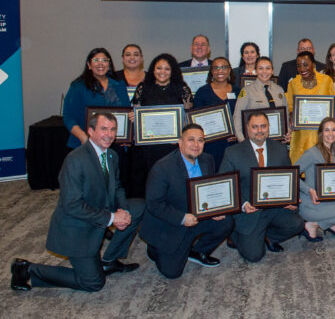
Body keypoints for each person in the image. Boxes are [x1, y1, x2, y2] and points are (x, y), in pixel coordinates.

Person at [11, 113, 144, 292]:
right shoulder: (75, 160)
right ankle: (26, 269)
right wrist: (112, 218)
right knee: (94, 283)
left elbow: (117, 186)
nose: (109, 134)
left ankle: (109, 260)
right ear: (90, 131)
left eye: (113, 129)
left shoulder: (111, 155)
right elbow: (72, 205)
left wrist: (124, 211)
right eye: (104, 129)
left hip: (98, 214)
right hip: (77, 228)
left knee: (138, 207)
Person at [140, 124, 234, 278]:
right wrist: (182, 218)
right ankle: (154, 248)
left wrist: (215, 209)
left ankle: (198, 252)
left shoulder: (207, 160)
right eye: (191, 140)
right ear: (180, 142)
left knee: (226, 221)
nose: (196, 145)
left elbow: (208, 190)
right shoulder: (162, 168)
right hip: (170, 221)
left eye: (200, 140)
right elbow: (153, 204)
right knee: (172, 273)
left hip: (197, 216)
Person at [218, 113, 304, 261]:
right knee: (254, 256)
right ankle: (235, 235)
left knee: (297, 224)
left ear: (269, 127)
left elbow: (289, 178)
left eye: (263, 126)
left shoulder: (280, 149)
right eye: (255, 127)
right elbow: (224, 185)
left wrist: (293, 199)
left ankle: (268, 237)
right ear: (247, 128)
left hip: (275, 206)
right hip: (249, 211)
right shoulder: (232, 153)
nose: (259, 130)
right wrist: (243, 204)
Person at [129, 53, 193, 198]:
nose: (162, 72)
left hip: (173, 145)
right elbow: (136, 112)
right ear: (153, 69)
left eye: (167, 69)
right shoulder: (143, 88)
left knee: (173, 180)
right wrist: (134, 117)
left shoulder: (182, 88)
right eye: (159, 68)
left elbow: (188, 116)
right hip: (149, 146)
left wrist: (180, 134)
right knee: (151, 180)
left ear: (172, 71)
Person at [296, 118, 335, 241]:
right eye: (327, 130)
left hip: (327, 197)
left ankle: (327, 222)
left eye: (334, 130)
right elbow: (291, 176)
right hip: (311, 203)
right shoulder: (312, 153)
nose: (331, 133)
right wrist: (309, 190)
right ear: (321, 133)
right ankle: (312, 224)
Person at [63, 48, 131, 149]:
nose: (100, 63)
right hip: (85, 144)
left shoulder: (119, 85)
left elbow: (127, 111)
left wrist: (129, 126)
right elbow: (68, 117)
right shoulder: (78, 86)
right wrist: (83, 137)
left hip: (115, 144)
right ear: (89, 65)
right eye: (96, 60)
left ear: (109, 64)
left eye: (104, 60)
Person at [285, 51, 335, 163]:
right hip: (302, 134)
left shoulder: (326, 80)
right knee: (302, 165)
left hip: (322, 134)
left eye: (305, 65)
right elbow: (290, 105)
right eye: (299, 66)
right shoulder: (293, 84)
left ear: (313, 64)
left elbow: (334, 103)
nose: (302, 69)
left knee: (323, 166)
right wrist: (291, 116)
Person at [192, 56, 240, 168]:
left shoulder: (238, 91)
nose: (220, 71)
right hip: (210, 145)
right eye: (216, 68)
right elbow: (195, 120)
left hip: (232, 143)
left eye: (224, 67)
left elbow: (242, 117)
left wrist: (237, 134)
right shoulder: (202, 92)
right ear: (211, 71)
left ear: (229, 70)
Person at [233, 56, 288, 141]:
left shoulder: (279, 90)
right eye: (260, 68)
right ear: (256, 71)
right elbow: (237, 117)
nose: (264, 71)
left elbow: (286, 115)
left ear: (272, 71)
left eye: (268, 68)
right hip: (255, 140)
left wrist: (287, 132)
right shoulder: (247, 91)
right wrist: (242, 140)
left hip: (277, 140)